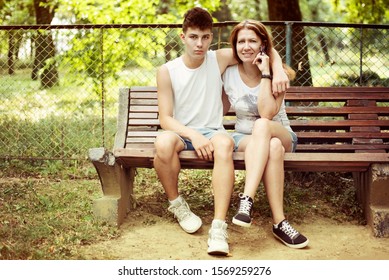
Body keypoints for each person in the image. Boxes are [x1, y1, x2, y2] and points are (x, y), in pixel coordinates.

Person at [153, 8, 289, 255]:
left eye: (205, 37)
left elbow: (263, 48)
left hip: (214, 131)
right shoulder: (167, 71)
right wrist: (192, 135)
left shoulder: (219, 58)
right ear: (183, 37)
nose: (200, 44)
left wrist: (277, 69)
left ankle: (219, 225)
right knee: (162, 144)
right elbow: (165, 118)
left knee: (224, 143)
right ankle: (177, 204)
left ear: (211, 37)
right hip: (182, 133)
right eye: (194, 37)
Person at [222, 20, 309, 249]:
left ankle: (246, 199)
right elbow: (217, 108)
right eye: (241, 41)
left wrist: (267, 73)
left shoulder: (279, 75)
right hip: (245, 138)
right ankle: (280, 222)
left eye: (252, 41)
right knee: (272, 148)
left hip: (281, 133)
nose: (246, 46)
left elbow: (267, 113)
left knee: (263, 126)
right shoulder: (228, 74)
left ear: (263, 45)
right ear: (235, 46)